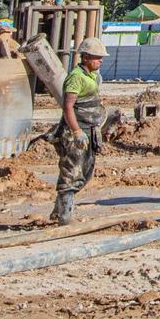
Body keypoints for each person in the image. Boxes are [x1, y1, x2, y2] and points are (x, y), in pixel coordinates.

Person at [50, 36, 108, 225]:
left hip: (89, 129)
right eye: (97, 57)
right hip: (77, 131)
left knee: (85, 171)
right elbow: (68, 107)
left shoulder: (91, 76)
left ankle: (58, 210)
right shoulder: (75, 77)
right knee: (72, 172)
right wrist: (76, 132)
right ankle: (64, 216)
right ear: (85, 58)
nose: (100, 60)